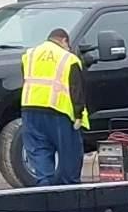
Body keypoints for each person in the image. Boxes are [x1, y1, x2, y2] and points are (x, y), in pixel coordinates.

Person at [17, 26, 88, 186]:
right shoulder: (69, 59)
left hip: (30, 110)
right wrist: (78, 115)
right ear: (64, 41)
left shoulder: (29, 55)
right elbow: (76, 89)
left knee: (39, 151)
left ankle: (44, 189)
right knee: (69, 154)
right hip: (59, 112)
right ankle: (70, 191)